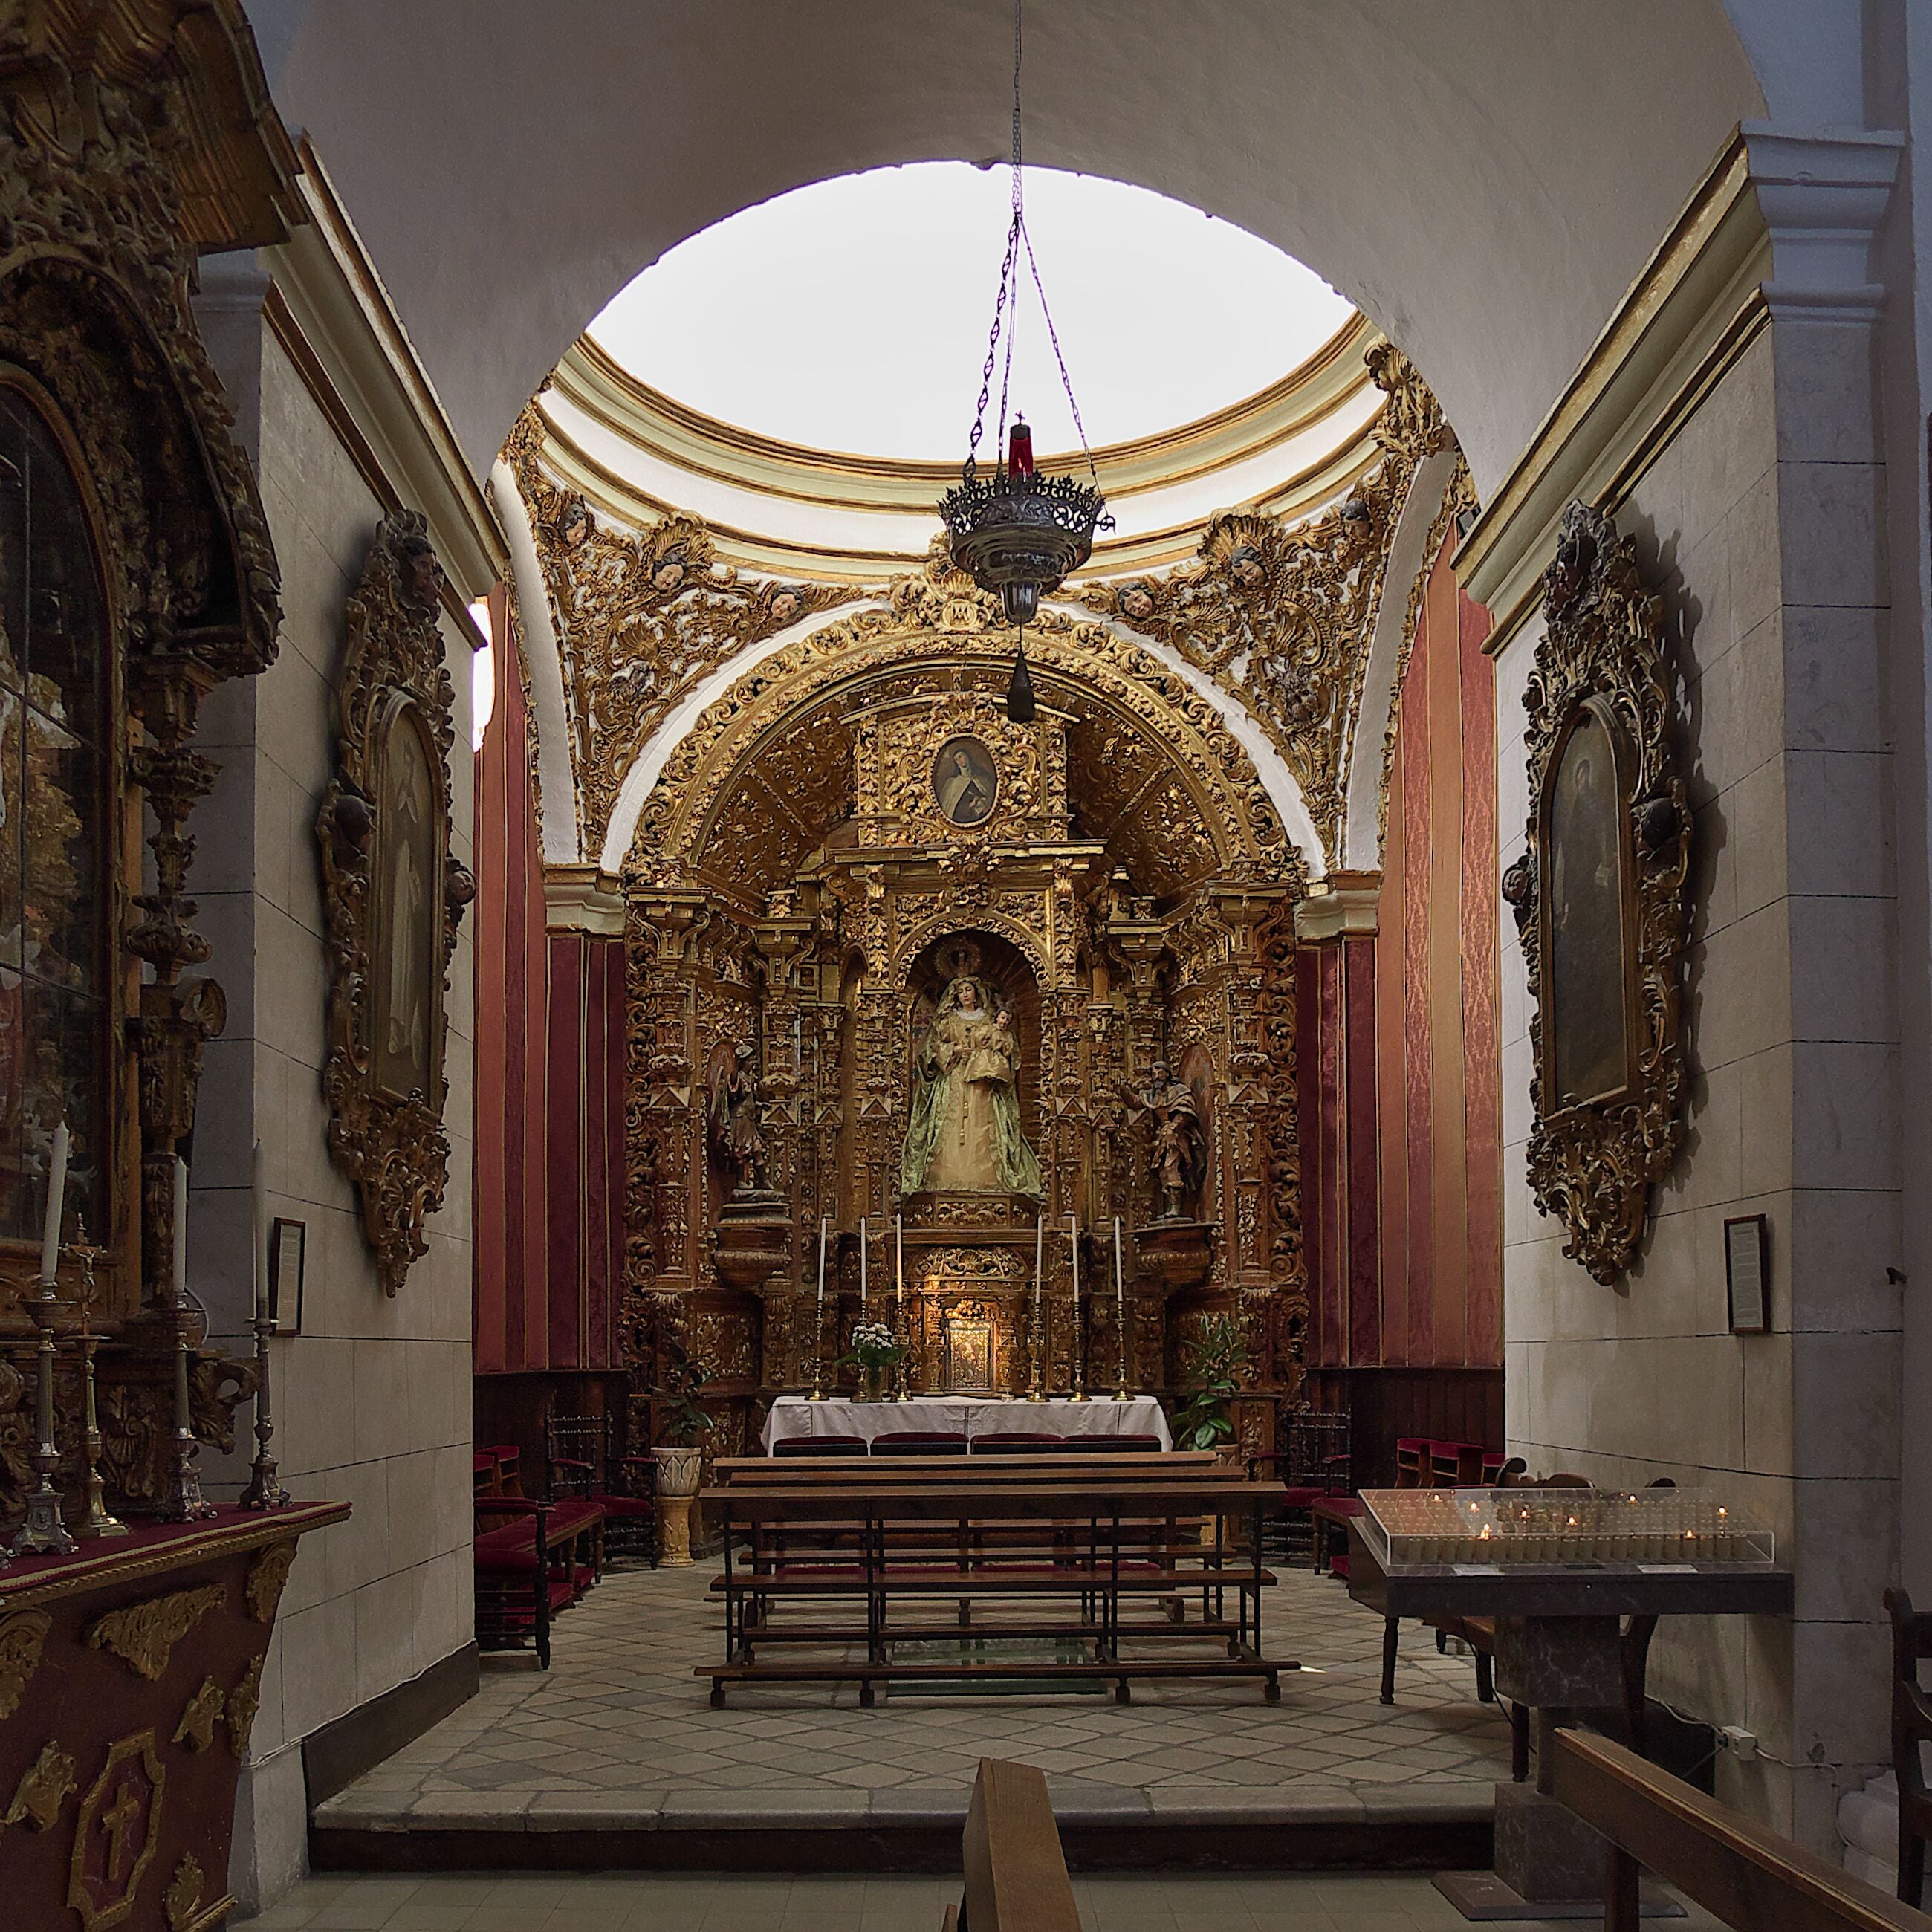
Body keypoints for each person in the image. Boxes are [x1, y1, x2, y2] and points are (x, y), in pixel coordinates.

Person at [900, 976, 1042, 1197]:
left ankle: (989, 1179)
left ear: (977, 992)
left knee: (985, 1127)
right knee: (949, 1126)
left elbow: (1005, 1044)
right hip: (953, 1078)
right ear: (955, 995)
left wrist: (990, 1049)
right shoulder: (947, 1020)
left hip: (981, 1081)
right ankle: (943, 1177)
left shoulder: (988, 1019)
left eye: (969, 989)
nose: (965, 994)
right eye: (961, 991)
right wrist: (953, 1050)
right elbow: (932, 1047)